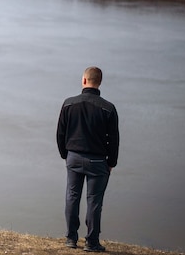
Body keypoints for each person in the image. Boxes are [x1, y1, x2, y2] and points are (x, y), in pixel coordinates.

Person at [56, 66, 120, 252]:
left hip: (73, 158)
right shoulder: (108, 108)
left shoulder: (69, 104)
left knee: (72, 197)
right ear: (99, 83)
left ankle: (70, 239)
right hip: (98, 162)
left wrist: (65, 155)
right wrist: (111, 163)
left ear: (84, 80)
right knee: (94, 201)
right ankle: (92, 243)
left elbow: (60, 134)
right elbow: (114, 140)